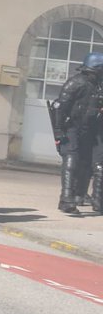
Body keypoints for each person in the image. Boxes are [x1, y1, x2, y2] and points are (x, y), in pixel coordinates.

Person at [48, 52, 103, 215]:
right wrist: (58, 131)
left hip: (92, 130)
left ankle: (87, 197)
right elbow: (60, 107)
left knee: (89, 163)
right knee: (71, 160)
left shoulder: (99, 85)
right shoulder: (75, 83)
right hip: (72, 127)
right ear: (96, 68)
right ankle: (66, 199)